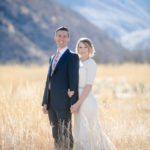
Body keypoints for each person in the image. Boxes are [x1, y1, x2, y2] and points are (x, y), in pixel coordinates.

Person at [68, 38, 117, 150]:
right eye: (80, 47)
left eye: (85, 47)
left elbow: (88, 86)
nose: (83, 49)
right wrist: (70, 91)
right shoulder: (77, 62)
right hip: (76, 98)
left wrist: (77, 104)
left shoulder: (91, 63)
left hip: (86, 101)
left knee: (89, 131)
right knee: (79, 131)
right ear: (77, 49)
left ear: (90, 48)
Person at [42, 26, 79, 150]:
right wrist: (45, 101)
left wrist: (74, 103)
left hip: (64, 103)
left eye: (64, 36)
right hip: (51, 103)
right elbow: (48, 81)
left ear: (68, 38)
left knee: (66, 135)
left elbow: (74, 81)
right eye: (59, 36)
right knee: (55, 135)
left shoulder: (72, 56)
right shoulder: (52, 57)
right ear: (55, 38)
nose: (61, 38)